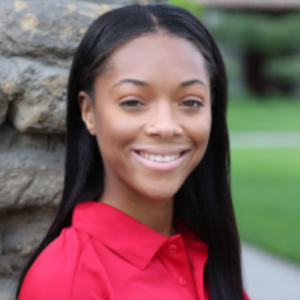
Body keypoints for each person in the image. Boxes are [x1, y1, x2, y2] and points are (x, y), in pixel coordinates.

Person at [17, 4, 250, 300]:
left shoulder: (206, 251)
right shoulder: (65, 279)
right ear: (89, 112)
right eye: (132, 102)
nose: (165, 127)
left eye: (190, 102)